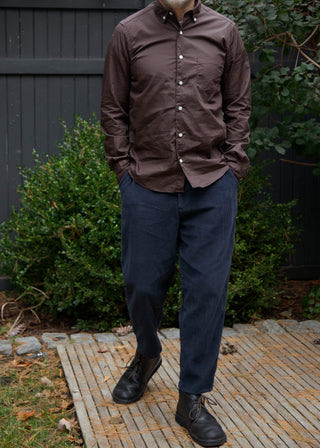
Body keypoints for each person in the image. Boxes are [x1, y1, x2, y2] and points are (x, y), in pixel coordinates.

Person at [101, 0, 251, 446]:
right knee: (143, 283)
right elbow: (113, 109)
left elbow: (239, 105)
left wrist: (234, 165)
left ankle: (193, 397)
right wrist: (123, 170)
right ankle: (147, 355)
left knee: (207, 291)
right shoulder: (129, 33)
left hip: (212, 183)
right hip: (146, 181)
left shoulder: (225, 32)